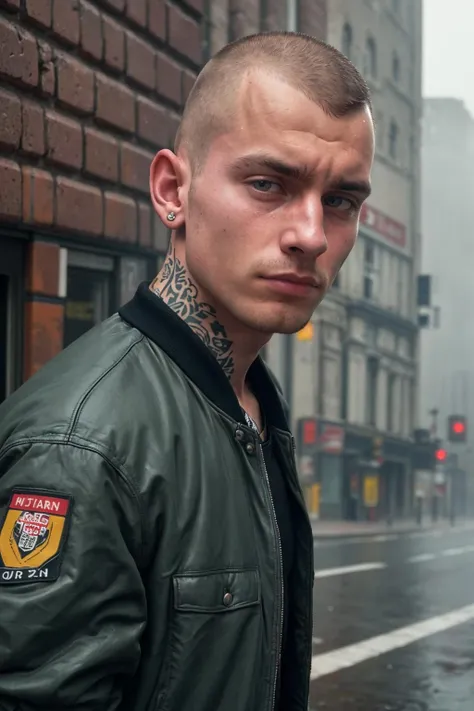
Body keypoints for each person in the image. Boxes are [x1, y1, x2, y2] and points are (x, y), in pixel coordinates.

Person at [0, 32, 374, 711]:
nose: (312, 234)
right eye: (268, 184)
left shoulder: (251, 397)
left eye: (341, 200)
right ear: (174, 189)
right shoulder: (79, 446)